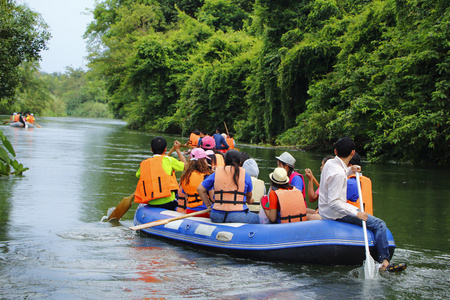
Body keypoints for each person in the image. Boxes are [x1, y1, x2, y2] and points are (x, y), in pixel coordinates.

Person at [318, 137, 393, 270]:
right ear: (353, 153)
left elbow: (338, 174)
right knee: (380, 224)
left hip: (326, 210)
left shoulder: (329, 163)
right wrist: (356, 213)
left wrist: (350, 170)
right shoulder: (339, 174)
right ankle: (384, 262)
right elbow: (334, 202)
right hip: (335, 213)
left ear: (335, 151)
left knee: (363, 215)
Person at [197, 150, 259, 224]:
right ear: (240, 162)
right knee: (259, 219)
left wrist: (209, 205)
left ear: (225, 161)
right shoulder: (245, 175)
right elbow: (249, 197)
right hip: (237, 216)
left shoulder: (216, 173)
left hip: (216, 216)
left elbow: (200, 189)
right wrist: (249, 201)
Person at [134, 137, 187, 211]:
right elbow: (185, 165)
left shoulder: (144, 163)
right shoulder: (169, 160)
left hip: (151, 201)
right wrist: (178, 150)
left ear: (151, 149)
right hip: (168, 202)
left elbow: (138, 175)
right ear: (165, 149)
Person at [179, 148, 213, 218]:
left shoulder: (185, 176)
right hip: (205, 211)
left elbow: (186, 198)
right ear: (203, 160)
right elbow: (212, 197)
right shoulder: (206, 176)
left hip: (190, 211)